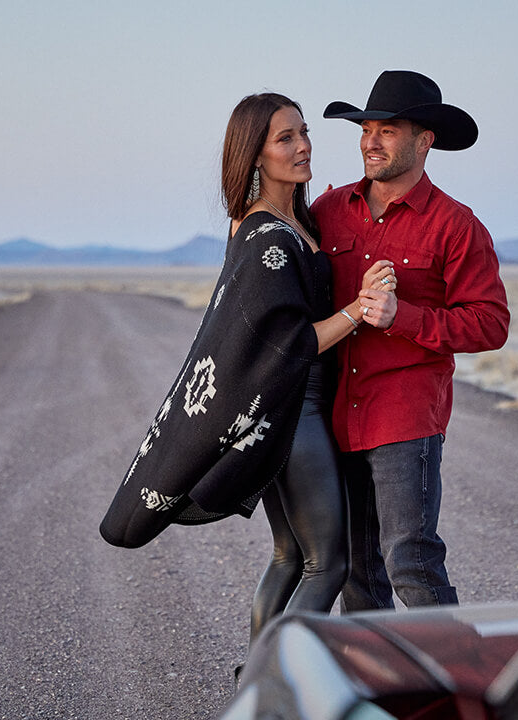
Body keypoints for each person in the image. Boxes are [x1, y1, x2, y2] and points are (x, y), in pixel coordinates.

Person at [101, 94, 394, 644]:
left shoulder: (281, 222)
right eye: (285, 138)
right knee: (326, 564)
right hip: (294, 413)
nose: (303, 145)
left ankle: (255, 689)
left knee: (289, 556)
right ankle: (279, 684)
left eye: (304, 132)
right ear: (255, 155)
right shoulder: (266, 238)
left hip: (284, 411)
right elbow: (290, 344)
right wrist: (360, 307)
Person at [314, 70, 510, 610]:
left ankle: (455, 684)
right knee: (355, 569)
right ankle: (378, 686)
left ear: (425, 140)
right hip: (334, 416)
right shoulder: (328, 212)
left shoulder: (456, 226)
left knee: (410, 561)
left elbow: (491, 323)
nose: (370, 141)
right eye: (366, 128)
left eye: (388, 130)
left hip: (403, 416)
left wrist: (403, 316)